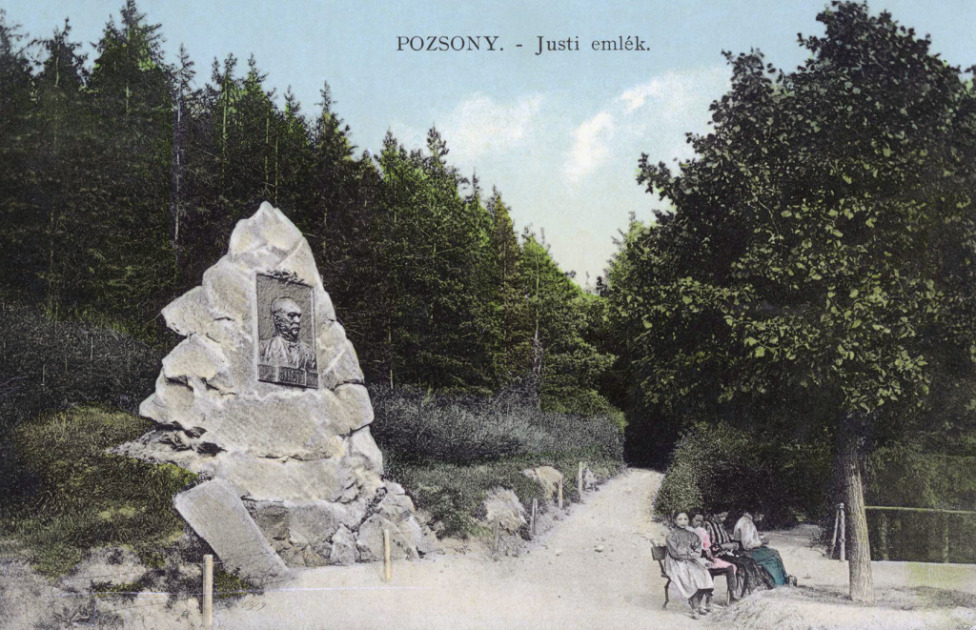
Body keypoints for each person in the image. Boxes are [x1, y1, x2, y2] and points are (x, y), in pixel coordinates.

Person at [704, 510, 773, 596]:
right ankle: (751, 588)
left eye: (725, 516)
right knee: (745, 563)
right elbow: (707, 546)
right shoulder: (708, 525)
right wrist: (725, 546)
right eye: (722, 516)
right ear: (714, 514)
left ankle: (753, 587)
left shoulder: (720, 526)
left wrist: (734, 544)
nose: (724, 519)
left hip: (726, 553)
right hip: (716, 556)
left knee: (749, 561)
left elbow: (727, 540)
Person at [664, 511, 714, 619]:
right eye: (680, 519)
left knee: (704, 573)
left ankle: (698, 604)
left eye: (685, 519)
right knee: (690, 576)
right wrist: (689, 553)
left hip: (690, 560)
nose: (683, 522)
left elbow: (698, 549)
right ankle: (694, 608)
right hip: (676, 562)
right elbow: (675, 553)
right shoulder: (671, 535)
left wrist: (692, 554)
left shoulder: (692, 534)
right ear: (675, 521)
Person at [690, 511, 736, 609]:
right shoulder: (689, 532)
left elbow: (708, 547)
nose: (699, 523)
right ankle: (700, 601)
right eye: (696, 520)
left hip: (705, 558)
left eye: (700, 521)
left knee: (727, 567)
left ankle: (729, 595)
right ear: (691, 520)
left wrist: (710, 556)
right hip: (694, 560)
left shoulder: (702, 531)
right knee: (706, 572)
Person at [733, 510, 790, 587]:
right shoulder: (747, 523)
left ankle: (780, 580)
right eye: (760, 514)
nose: (761, 517)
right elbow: (747, 545)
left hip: (745, 551)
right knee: (774, 555)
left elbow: (748, 538)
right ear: (755, 512)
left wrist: (759, 539)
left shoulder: (744, 520)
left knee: (773, 552)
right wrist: (761, 542)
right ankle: (780, 583)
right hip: (746, 554)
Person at [259, 297, 316, 371]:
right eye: (291, 316)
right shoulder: (263, 348)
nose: (297, 321)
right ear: (277, 319)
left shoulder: (309, 353)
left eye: (298, 316)